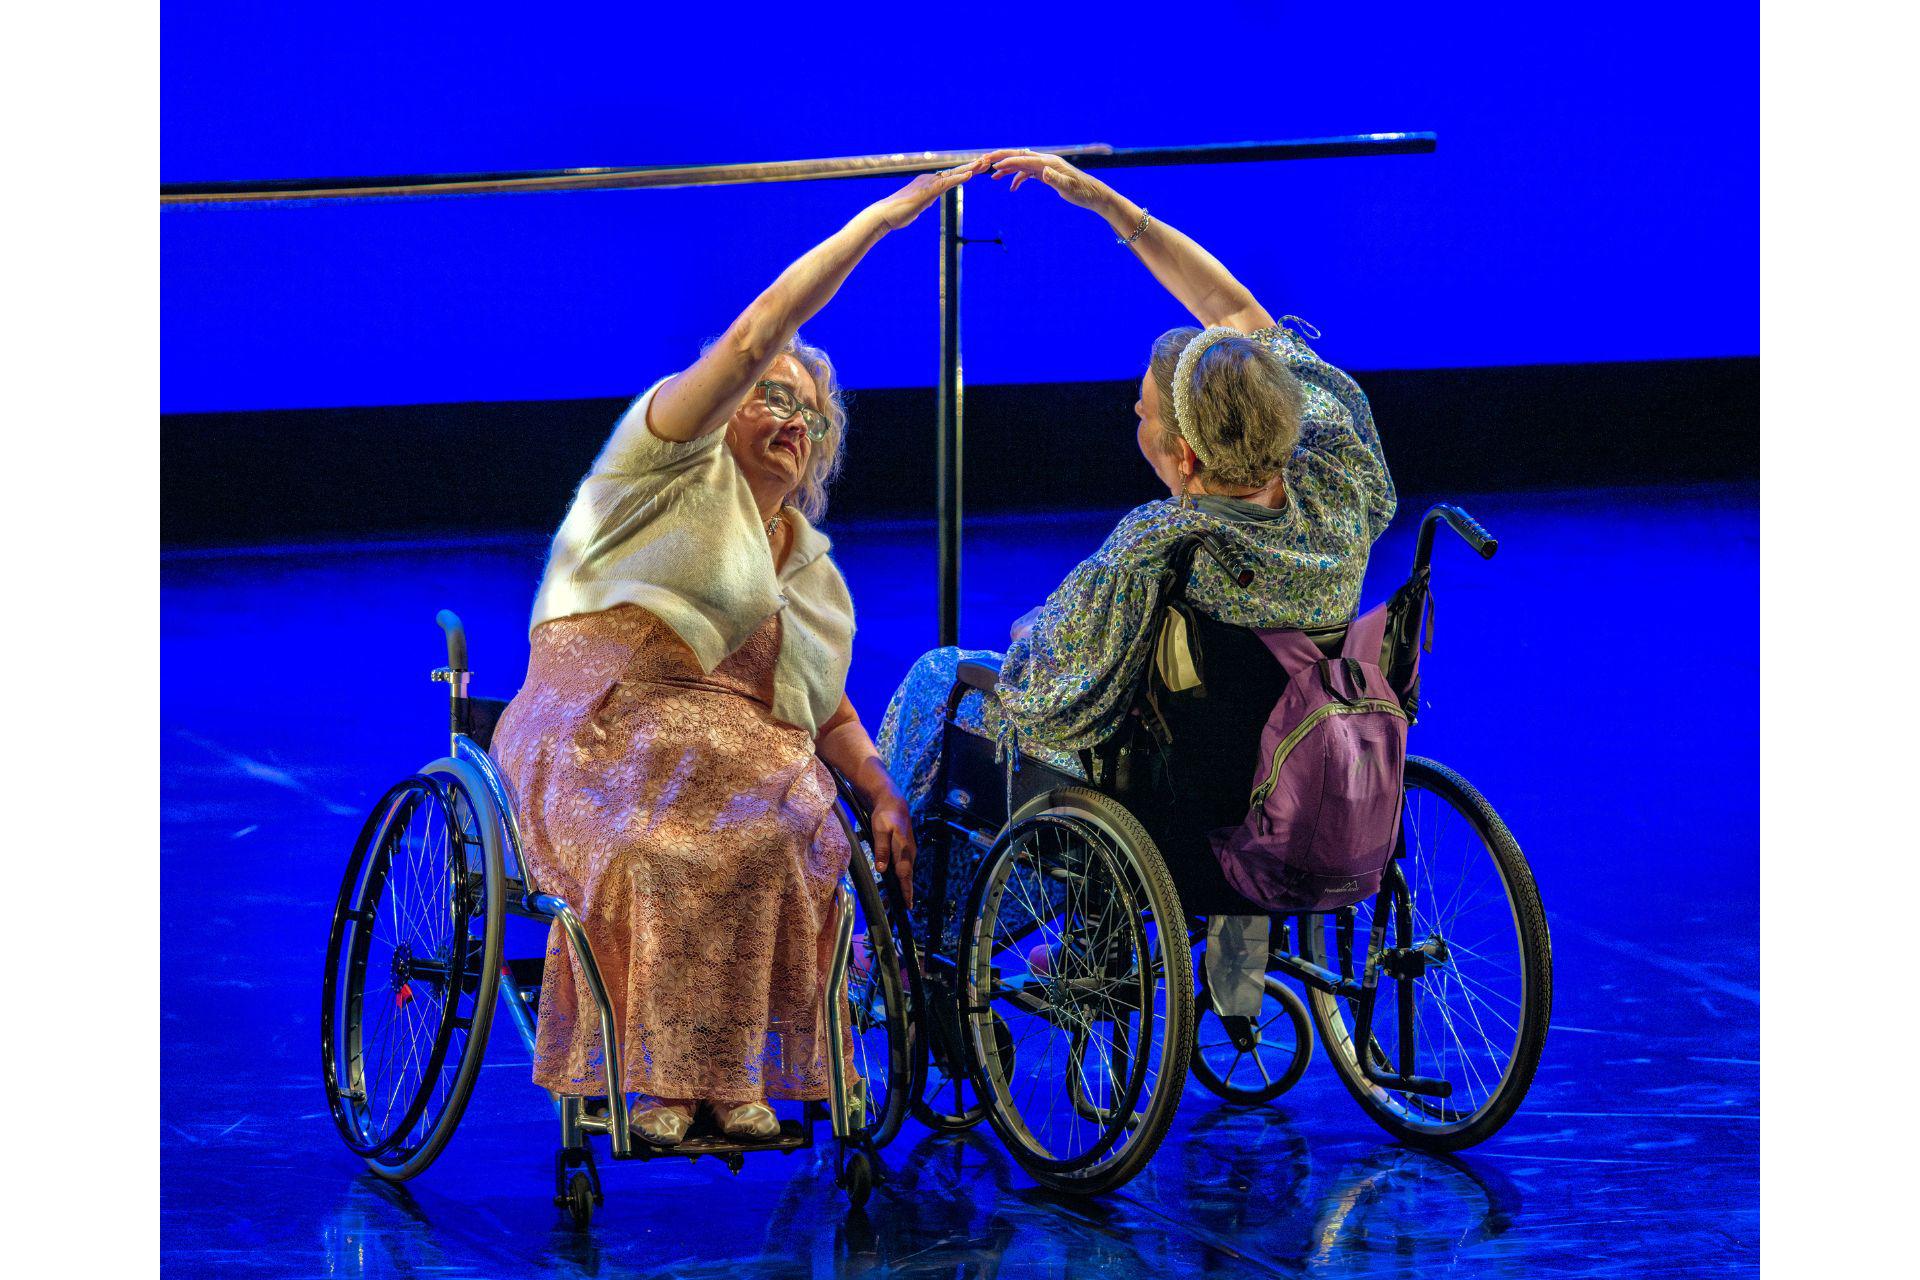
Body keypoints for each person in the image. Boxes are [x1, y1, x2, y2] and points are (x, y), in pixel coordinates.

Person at [490, 162, 980, 1146]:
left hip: (736, 753)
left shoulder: (809, 564)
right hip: (606, 719)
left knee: (790, 837)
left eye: (813, 414)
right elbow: (758, 328)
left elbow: (824, 706)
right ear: (727, 403)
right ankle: (662, 1083)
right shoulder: (662, 458)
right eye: (772, 396)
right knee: (646, 854)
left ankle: (736, 1076)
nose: (793, 419)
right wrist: (885, 218)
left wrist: (882, 789)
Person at [876, 149, 1397, 1018]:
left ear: (1183, 456)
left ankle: (902, 939)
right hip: (1301, 746)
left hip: (1189, 788)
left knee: (943, 682)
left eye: (1146, 408)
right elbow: (1234, 311)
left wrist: (1022, 645)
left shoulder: (1165, 538)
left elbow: (1060, 694)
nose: (1135, 413)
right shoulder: (1342, 477)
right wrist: (1106, 202)